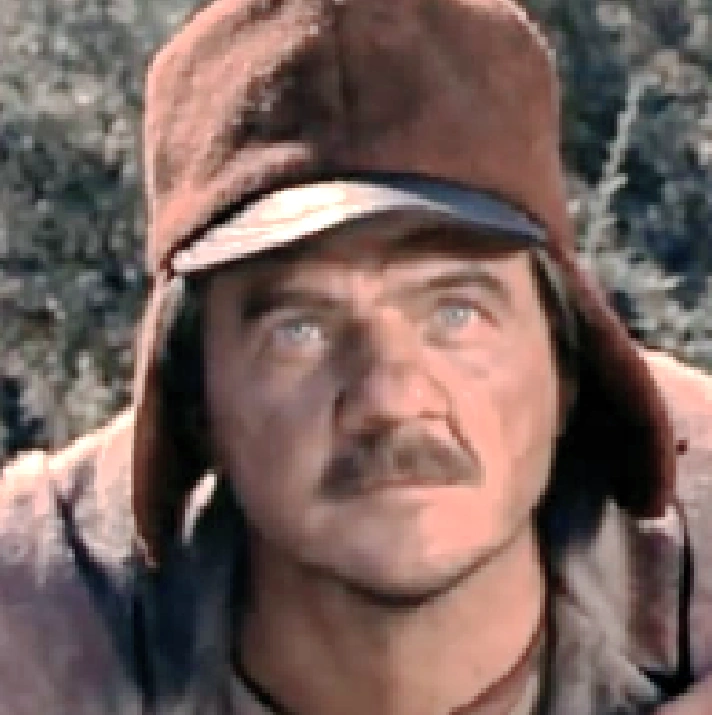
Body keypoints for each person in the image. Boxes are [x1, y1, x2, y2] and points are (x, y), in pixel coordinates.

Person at [1, 0, 712, 712]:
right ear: (195, 399)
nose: (391, 398)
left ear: (565, 364)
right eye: (298, 331)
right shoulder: (37, 619)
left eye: (456, 314)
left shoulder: (687, 560)